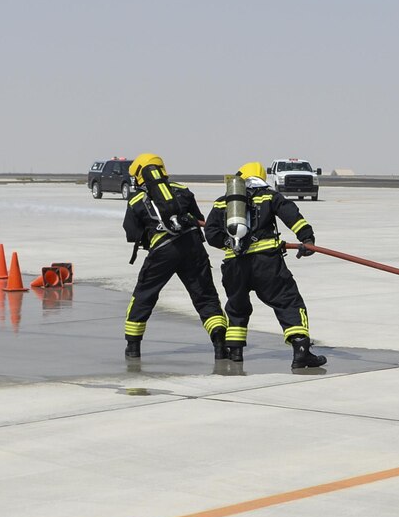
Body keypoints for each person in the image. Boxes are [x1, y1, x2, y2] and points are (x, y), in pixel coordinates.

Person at [205, 162, 326, 369]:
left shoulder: (222, 202)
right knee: (288, 302)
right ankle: (301, 351)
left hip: (234, 266)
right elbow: (293, 216)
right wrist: (307, 239)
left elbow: (211, 234)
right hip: (267, 264)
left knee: (236, 307)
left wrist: (230, 242)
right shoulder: (269, 196)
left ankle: (235, 352)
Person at [121, 154, 228, 360]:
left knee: (144, 294)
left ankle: (133, 347)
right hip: (193, 247)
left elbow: (131, 233)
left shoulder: (136, 200)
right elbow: (199, 220)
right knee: (205, 296)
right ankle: (219, 343)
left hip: (162, 251)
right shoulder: (183, 190)